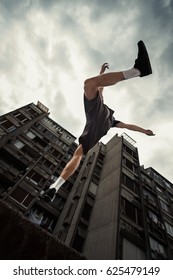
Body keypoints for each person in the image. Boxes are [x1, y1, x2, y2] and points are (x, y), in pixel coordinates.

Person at [42, 40, 155, 202]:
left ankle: (55, 186)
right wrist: (144, 131)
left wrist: (144, 131)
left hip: (93, 126)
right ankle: (137, 70)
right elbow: (128, 125)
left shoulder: (110, 117)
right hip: (95, 119)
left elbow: (101, 88)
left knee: (78, 153)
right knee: (90, 84)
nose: (101, 94)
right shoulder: (112, 119)